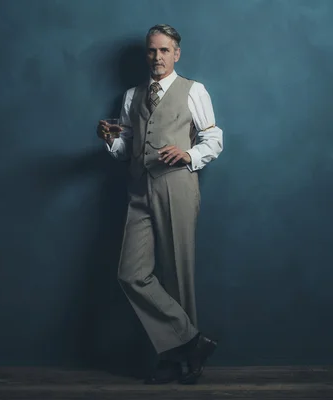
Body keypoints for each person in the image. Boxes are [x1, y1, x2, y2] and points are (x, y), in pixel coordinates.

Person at [96, 24, 223, 385]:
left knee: (177, 273)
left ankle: (177, 360)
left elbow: (214, 139)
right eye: (152, 51)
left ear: (176, 53)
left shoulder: (193, 91)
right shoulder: (132, 95)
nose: (157, 58)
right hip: (139, 189)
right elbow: (127, 148)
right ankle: (193, 343)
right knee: (131, 274)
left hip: (177, 187)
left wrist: (187, 153)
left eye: (164, 51)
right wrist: (110, 140)